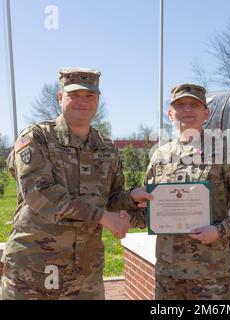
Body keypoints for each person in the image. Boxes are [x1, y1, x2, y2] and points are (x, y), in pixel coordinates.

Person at [1, 67, 150, 300]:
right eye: (74, 95)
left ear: (98, 100)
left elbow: (111, 198)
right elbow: (40, 193)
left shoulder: (106, 147)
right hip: (32, 271)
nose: (83, 101)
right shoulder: (37, 137)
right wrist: (102, 217)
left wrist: (131, 198)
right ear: (60, 97)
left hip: (85, 274)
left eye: (90, 96)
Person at [145, 83, 230, 300]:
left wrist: (221, 230)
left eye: (194, 105)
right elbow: (147, 209)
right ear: (170, 113)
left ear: (206, 113)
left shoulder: (227, 152)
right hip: (168, 277)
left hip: (212, 276)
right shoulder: (160, 156)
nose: (187, 110)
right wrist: (132, 204)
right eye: (180, 105)